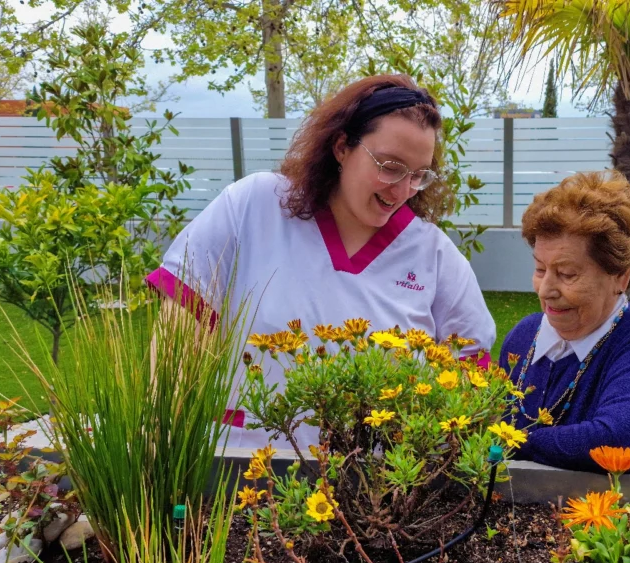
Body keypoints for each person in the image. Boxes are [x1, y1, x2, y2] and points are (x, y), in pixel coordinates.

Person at [148, 74, 496, 446]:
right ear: (342, 147)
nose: (401, 190)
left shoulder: (436, 255)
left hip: (369, 488)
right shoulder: (254, 205)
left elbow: (469, 379)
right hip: (239, 467)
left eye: (418, 176)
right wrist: (161, 435)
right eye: (390, 166)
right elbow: (181, 324)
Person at [499, 171, 630, 473]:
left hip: (612, 517)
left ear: (621, 276)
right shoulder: (524, 337)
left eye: (567, 274)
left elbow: (618, 441)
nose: (545, 289)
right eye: (540, 268)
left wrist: (510, 440)